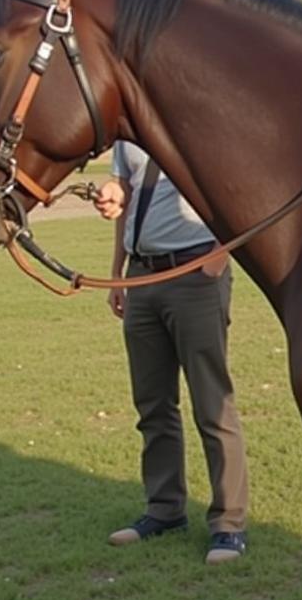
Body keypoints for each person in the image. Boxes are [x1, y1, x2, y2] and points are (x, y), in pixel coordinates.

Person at [95, 141, 249, 564]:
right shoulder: (127, 136)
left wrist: (219, 255)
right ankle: (164, 511)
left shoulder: (196, 112)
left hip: (194, 274)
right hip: (142, 276)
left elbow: (239, 185)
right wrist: (117, 273)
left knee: (212, 403)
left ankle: (228, 524)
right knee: (153, 405)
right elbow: (126, 198)